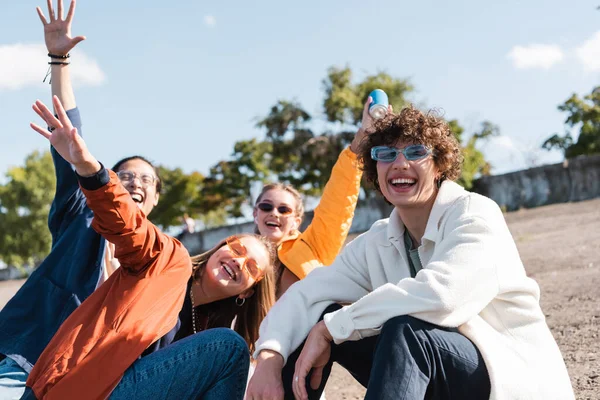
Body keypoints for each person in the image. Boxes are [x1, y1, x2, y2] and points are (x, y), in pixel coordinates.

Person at [246, 105, 575, 400]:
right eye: (386, 155)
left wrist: (335, 326)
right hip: (436, 377)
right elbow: (307, 293)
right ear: (376, 170)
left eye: (415, 152)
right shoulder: (377, 241)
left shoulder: (474, 214)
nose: (399, 163)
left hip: (511, 380)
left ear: (438, 166)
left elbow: (443, 295)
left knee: (404, 329)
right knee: (319, 314)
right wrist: (270, 356)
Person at [22, 96, 277, 400]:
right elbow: (129, 225)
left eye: (251, 266)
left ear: (248, 291)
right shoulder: (168, 259)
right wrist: (89, 168)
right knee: (228, 346)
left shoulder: (203, 330)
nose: (238, 261)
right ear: (218, 247)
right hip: (80, 390)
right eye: (236, 249)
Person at [0, 1, 163, 397]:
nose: (134, 183)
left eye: (145, 180)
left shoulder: (157, 256)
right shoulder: (82, 216)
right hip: (25, 361)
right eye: (124, 176)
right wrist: (59, 59)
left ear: (155, 200)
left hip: (91, 380)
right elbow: (71, 135)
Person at [253, 99, 391, 297]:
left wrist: (363, 139)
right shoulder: (237, 254)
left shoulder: (312, 246)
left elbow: (336, 205)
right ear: (255, 213)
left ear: (296, 222)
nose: (274, 213)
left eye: (284, 210)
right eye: (267, 206)